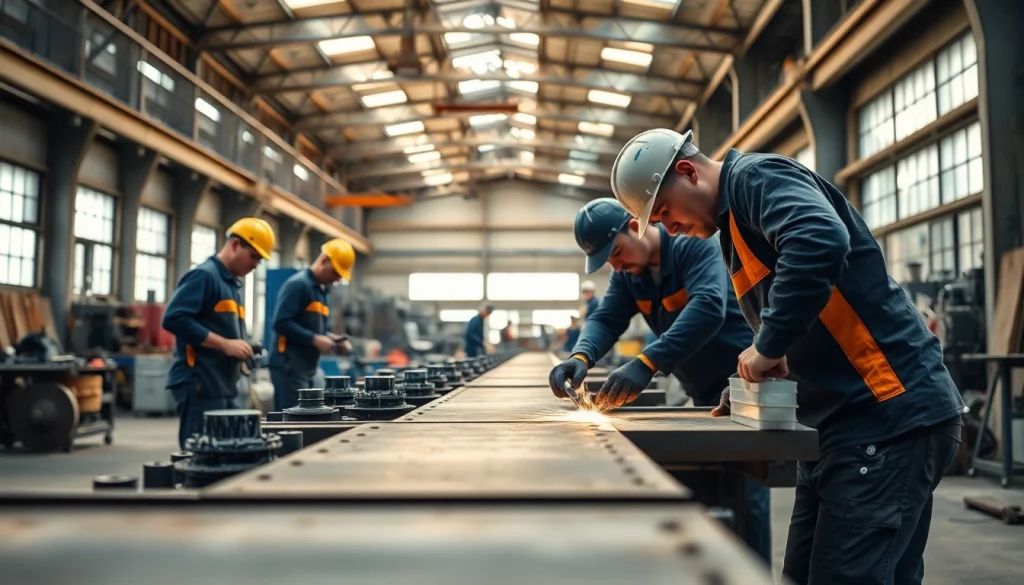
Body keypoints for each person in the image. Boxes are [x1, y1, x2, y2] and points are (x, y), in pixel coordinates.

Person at [610, 128, 964, 585]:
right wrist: (744, 386)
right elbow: (797, 318)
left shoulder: (756, 178)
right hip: (836, 428)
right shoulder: (732, 227)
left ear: (687, 172)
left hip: (888, 413)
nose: (667, 228)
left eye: (664, 211)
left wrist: (769, 344)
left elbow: (819, 238)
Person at [549, 197, 770, 563]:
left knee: (745, 495)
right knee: (702, 487)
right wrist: (579, 357)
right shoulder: (629, 276)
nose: (616, 265)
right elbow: (605, 320)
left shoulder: (691, 245)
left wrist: (647, 362)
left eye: (617, 251)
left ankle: (752, 570)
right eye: (609, 261)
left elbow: (708, 307)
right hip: (700, 391)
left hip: (741, 385)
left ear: (635, 226)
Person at [163, 217, 275, 449]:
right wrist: (225, 344)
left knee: (225, 452)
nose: (256, 265)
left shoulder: (232, 285)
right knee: (201, 453)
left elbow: (223, 329)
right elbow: (174, 318)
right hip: (200, 383)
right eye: (254, 256)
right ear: (235, 245)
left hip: (222, 385)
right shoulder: (205, 276)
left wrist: (243, 346)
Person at [268, 239, 356, 412]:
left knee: (309, 414)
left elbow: (316, 330)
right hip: (289, 365)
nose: (336, 279)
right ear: (323, 261)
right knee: (294, 417)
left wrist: (333, 339)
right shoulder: (299, 285)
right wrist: (315, 339)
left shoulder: (321, 291)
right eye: (335, 272)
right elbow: (281, 322)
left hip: (307, 365)